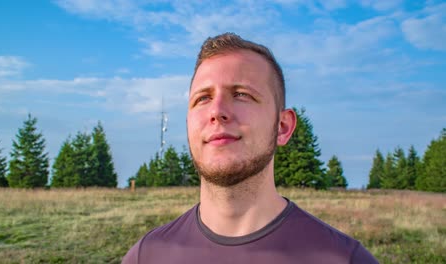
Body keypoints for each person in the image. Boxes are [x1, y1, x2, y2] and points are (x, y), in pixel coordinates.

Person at [122, 33, 378, 264]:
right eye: (203, 98)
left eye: (241, 94)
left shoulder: (343, 260)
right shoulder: (147, 255)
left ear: (282, 126)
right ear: (189, 123)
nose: (217, 112)